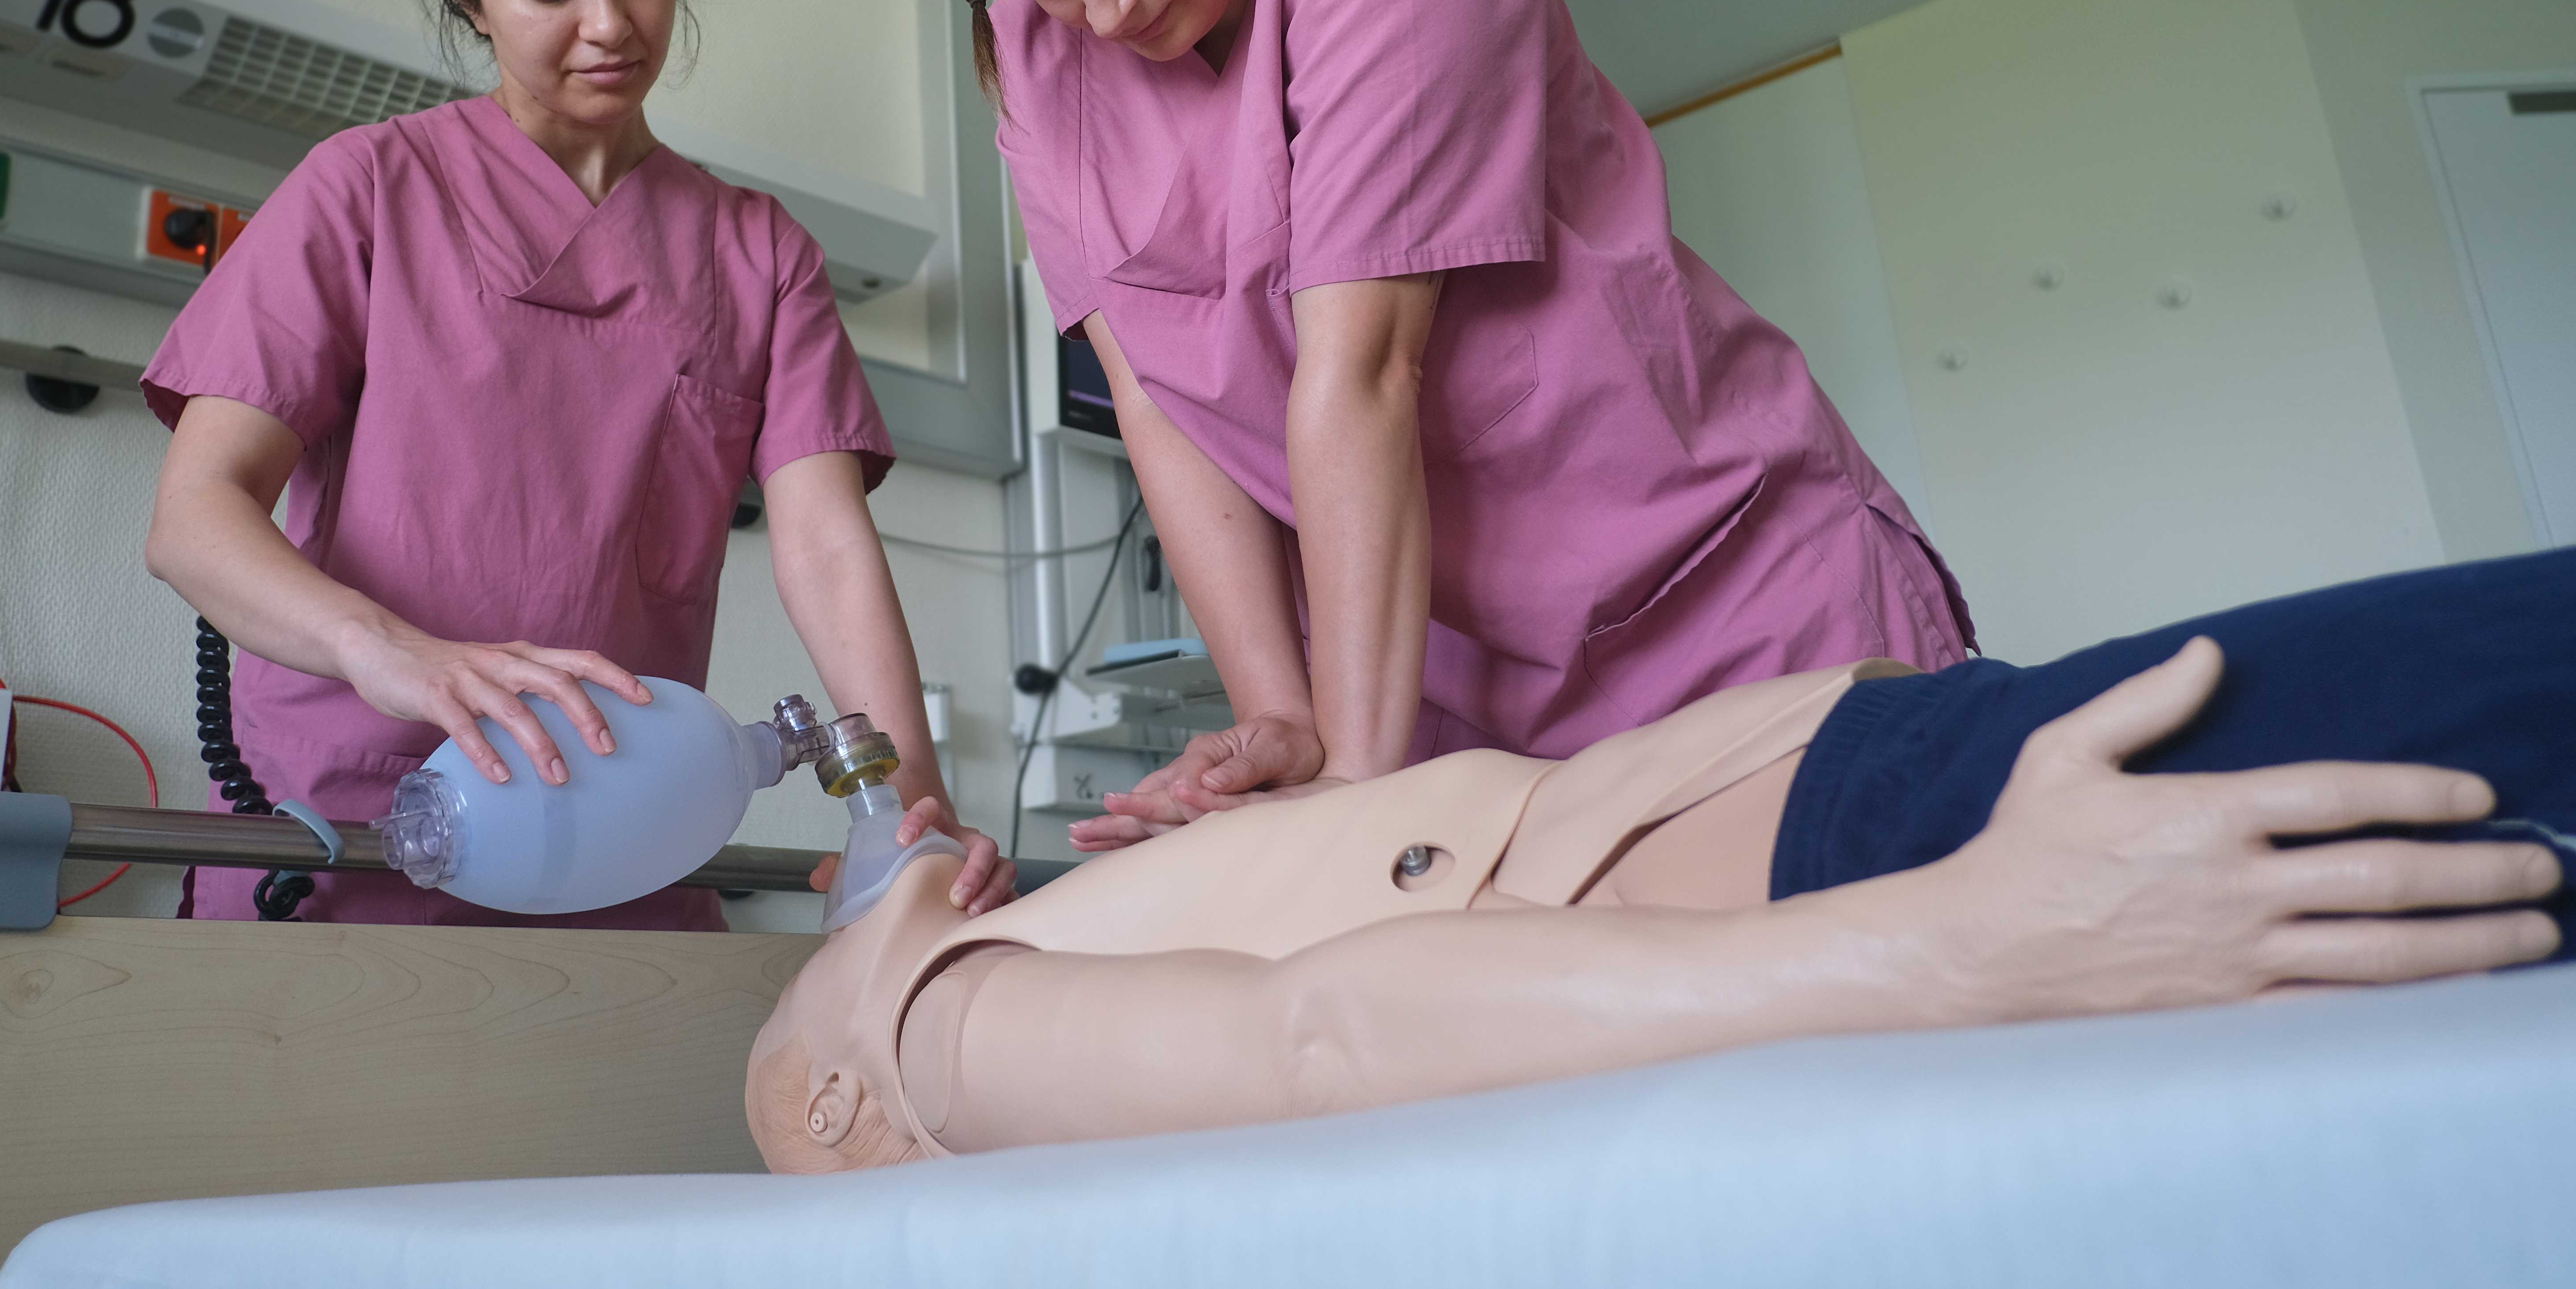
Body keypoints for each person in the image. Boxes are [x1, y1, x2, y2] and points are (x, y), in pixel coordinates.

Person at [881, 0, 1973, 853]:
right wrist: (1285, 723)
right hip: (1453, 691)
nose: (1104, 8)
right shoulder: (1039, 60)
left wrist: (1348, 803)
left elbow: (1362, 372)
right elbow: (1156, 406)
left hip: (1721, 603)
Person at [747, 548, 2572, 1166]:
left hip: (1893, 773)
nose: (928, 833)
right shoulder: (880, 1036)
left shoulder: (1037, 927)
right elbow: (1319, 1040)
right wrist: (1964, 940)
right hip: (1914, 835)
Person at [143, 0, 1014, 925]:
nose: (610, 23)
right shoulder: (367, 191)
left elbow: (826, 542)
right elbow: (195, 516)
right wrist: (394, 651)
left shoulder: (756, 252)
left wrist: (916, 809)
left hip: (621, 829)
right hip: (355, 825)